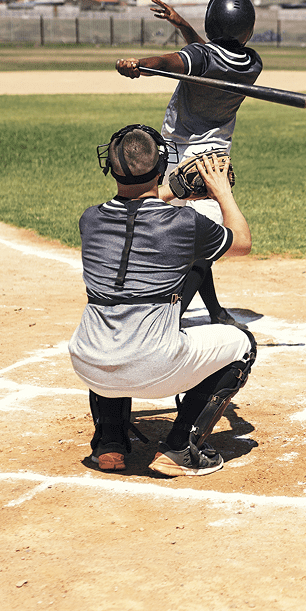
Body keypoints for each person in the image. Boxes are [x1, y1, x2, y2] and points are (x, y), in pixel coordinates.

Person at [68, 124, 257, 477]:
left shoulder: (90, 219)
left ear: (107, 166)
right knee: (243, 344)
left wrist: (168, 190)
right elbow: (242, 242)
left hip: (90, 364)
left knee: (115, 327)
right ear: (162, 165)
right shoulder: (185, 223)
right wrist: (221, 192)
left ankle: (110, 444)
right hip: (153, 368)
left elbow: (136, 211)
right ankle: (179, 448)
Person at [115, 0, 262, 326]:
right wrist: (181, 25)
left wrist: (141, 66)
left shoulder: (202, 57)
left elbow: (173, 62)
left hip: (180, 158)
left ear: (211, 24)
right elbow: (206, 55)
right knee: (200, 239)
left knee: (195, 243)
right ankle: (215, 312)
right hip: (216, 160)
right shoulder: (252, 63)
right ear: (248, 31)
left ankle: (173, 315)